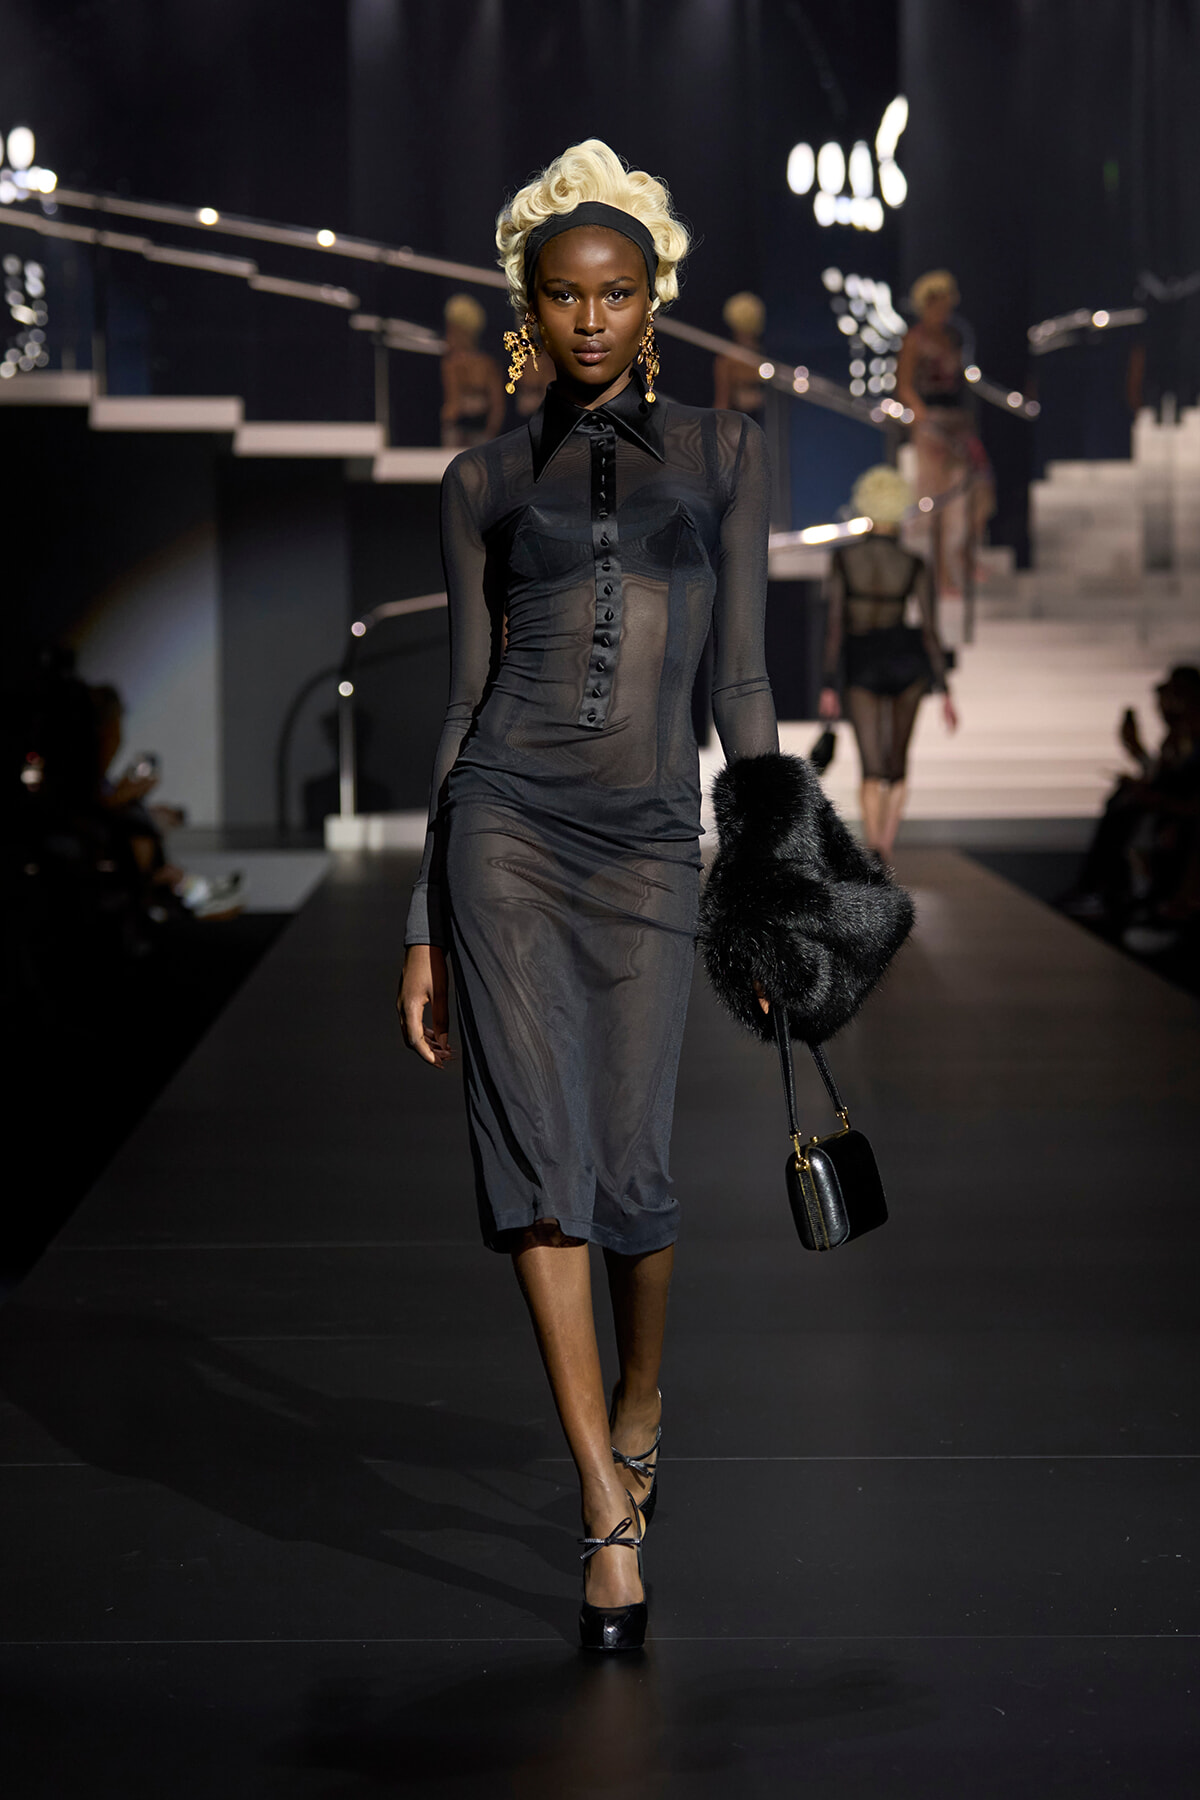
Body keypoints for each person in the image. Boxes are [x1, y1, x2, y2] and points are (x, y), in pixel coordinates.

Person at [398, 139, 778, 1652]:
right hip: (501, 825)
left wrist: (772, 886)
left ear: (654, 301)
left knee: (636, 1170)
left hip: (645, 839)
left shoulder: (726, 452)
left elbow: (741, 683)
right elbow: (460, 704)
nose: (594, 320)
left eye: (618, 294)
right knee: (537, 1167)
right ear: (529, 308)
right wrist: (425, 916)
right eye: (566, 298)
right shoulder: (480, 478)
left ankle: (641, 1393)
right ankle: (600, 1513)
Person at [818, 465, 957, 862]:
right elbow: (931, 631)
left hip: (862, 660)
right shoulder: (913, 563)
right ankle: (885, 849)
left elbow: (834, 628)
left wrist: (828, 683)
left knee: (872, 765)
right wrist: (945, 688)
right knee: (897, 764)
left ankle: (874, 854)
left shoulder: (845, 560)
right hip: (906, 661)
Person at [895, 269, 995, 597]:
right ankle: (942, 573)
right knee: (937, 500)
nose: (944, 311)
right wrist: (922, 418)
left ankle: (964, 552)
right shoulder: (914, 339)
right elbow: (904, 386)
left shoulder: (953, 337)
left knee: (979, 488)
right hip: (932, 425)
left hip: (958, 422)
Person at [439, 293, 506, 448]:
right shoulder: (488, 365)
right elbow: (498, 407)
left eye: (451, 330)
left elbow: (453, 404)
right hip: (476, 431)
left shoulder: (453, 364)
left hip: (464, 431)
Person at [712, 291, 768, 414]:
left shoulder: (764, 360)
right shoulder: (727, 361)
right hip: (737, 425)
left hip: (765, 424)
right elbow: (722, 403)